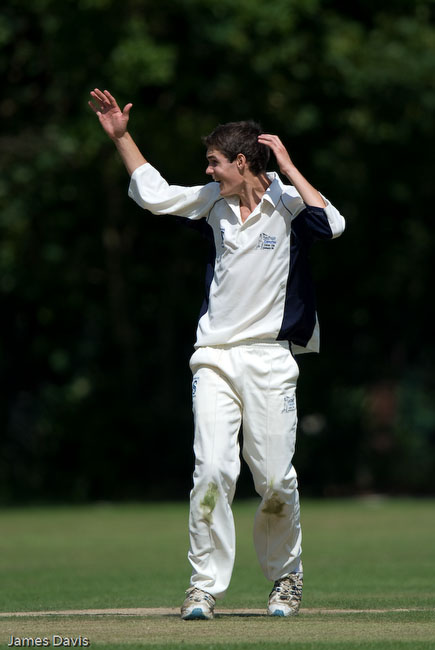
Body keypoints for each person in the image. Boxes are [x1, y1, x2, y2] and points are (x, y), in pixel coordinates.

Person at [89, 88, 345, 620]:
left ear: (243, 162)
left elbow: (332, 225)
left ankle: (286, 578)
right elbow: (156, 195)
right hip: (214, 358)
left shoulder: (288, 203)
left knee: (274, 480)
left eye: (214, 162)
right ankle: (203, 586)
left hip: (270, 358)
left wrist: (288, 166)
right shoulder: (213, 202)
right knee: (211, 472)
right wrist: (121, 138)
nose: (208, 171)